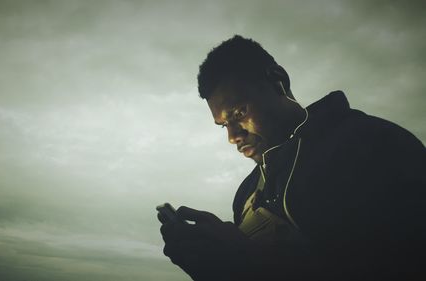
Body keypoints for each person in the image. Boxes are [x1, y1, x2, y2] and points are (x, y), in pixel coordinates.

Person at [157, 35, 426, 280]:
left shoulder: (374, 143)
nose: (232, 137)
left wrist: (249, 259)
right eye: (222, 125)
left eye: (238, 113)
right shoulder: (246, 193)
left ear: (278, 80)